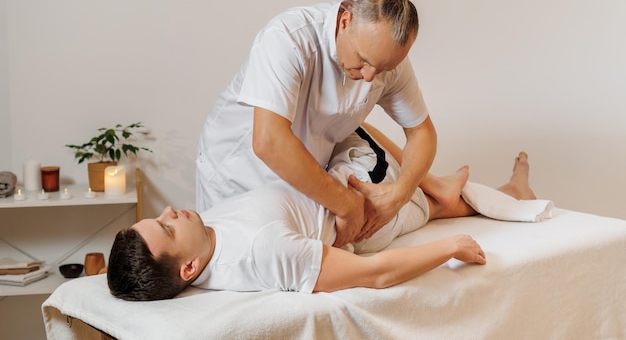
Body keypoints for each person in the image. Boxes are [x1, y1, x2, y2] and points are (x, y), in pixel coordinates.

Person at [108, 127, 538, 301]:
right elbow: (374, 274)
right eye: (166, 226)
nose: (170, 211)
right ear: (188, 268)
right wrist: (449, 248)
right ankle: (468, 188)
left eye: (159, 215)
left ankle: (502, 191)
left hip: (334, 187)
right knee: (354, 119)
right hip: (363, 210)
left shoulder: (205, 235)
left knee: (321, 124)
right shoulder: (264, 251)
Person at [196, 0, 436, 247]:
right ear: (346, 20)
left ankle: (443, 198)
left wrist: (400, 193)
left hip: (301, 178)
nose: (369, 76)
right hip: (236, 171)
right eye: (363, 59)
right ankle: (444, 197)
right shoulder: (288, 38)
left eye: (383, 68)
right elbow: (268, 141)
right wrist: (346, 205)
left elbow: (421, 132)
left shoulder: (387, 63)